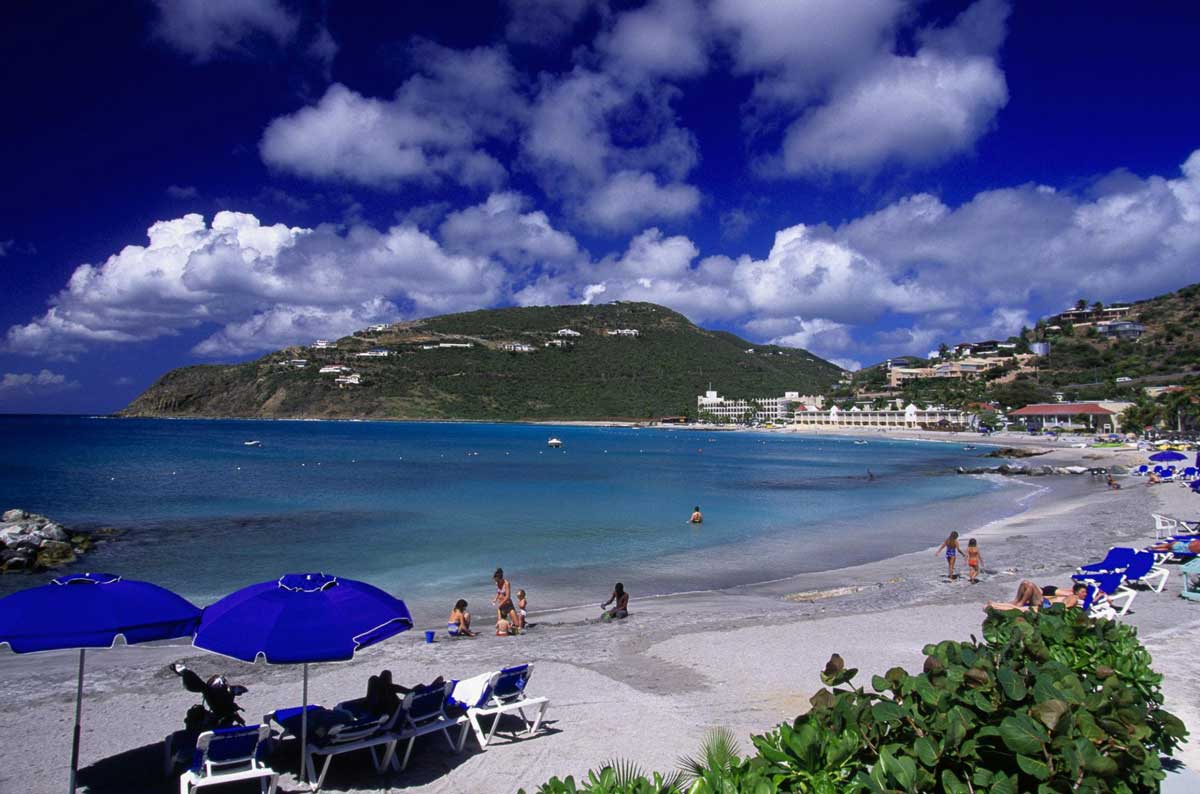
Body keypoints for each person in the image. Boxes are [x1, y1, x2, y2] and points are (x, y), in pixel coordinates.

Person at [985, 581, 1088, 612]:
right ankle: (994, 605)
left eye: (1086, 592)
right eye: (1083, 592)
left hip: (1047, 606)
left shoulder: (1074, 598)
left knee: (1021, 608)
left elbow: (1065, 607)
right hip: (1047, 605)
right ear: (1076, 592)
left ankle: (994, 605)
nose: (1085, 594)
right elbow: (1065, 606)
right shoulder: (1074, 596)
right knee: (1026, 585)